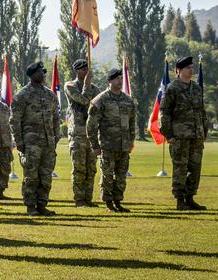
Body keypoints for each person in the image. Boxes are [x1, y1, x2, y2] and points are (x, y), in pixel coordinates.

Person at [10, 61, 61, 217]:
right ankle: (31, 206)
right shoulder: (22, 95)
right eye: (40, 72)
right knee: (31, 176)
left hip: (48, 143)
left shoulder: (50, 95)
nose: (43, 74)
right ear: (32, 75)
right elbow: (15, 120)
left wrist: (56, 137)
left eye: (44, 72)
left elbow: (56, 118)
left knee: (46, 175)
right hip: (30, 143)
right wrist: (18, 141)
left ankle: (42, 204)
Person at [159, 55, 209, 211]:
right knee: (180, 169)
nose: (191, 70)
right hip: (179, 137)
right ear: (178, 71)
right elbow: (164, 113)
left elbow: (202, 112)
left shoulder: (196, 88)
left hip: (196, 136)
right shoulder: (172, 88)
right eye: (188, 68)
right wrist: (169, 135)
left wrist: (204, 131)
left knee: (195, 169)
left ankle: (190, 198)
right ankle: (180, 200)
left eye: (192, 67)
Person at [87, 67, 135, 212]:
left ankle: (118, 201)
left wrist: (131, 140)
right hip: (107, 146)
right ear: (109, 81)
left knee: (121, 176)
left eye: (121, 78)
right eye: (116, 78)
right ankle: (108, 203)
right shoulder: (101, 100)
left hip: (123, 146)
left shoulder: (128, 100)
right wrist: (94, 145)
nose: (120, 80)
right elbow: (91, 125)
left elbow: (132, 122)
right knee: (107, 175)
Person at [63, 58, 98, 207]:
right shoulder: (70, 86)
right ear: (77, 71)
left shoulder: (94, 88)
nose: (86, 72)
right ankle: (79, 199)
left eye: (87, 69)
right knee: (79, 168)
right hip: (77, 133)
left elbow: (97, 105)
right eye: (83, 69)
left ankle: (88, 199)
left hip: (90, 134)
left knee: (91, 168)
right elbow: (83, 100)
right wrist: (87, 84)